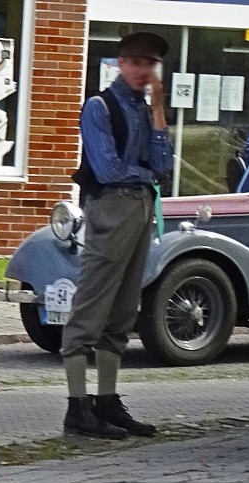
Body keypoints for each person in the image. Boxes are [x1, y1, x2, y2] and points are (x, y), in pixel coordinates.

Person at [64, 32, 171, 440]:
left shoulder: (144, 109)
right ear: (121, 63)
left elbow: (163, 164)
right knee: (92, 303)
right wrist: (146, 174)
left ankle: (107, 399)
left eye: (150, 64)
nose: (145, 71)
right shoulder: (100, 106)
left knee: (125, 306)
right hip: (112, 206)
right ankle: (77, 406)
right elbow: (107, 168)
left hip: (141, 207)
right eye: (138, 62)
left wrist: (159, 111)